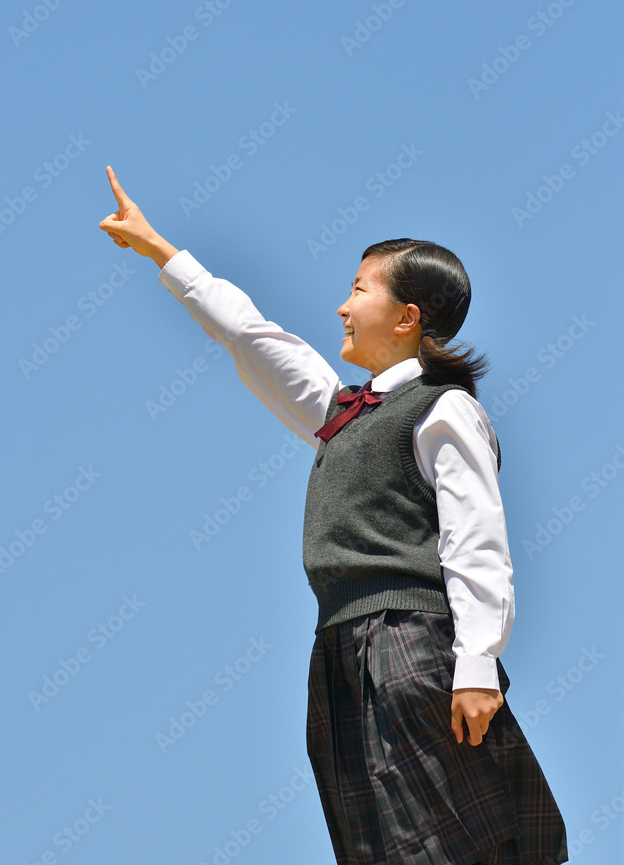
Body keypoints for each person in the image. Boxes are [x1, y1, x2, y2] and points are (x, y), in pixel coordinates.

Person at [98, 166, 569, 865]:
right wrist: (161, 250)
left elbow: (476, 540)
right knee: (375, 848)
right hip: (338, 650)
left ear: (407, 317)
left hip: (412, 643)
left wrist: (475, 665)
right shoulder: (342, 414)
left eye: (359, 289)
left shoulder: (444, 408)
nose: (342, 307)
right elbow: (250, 335)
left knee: (466, 843)